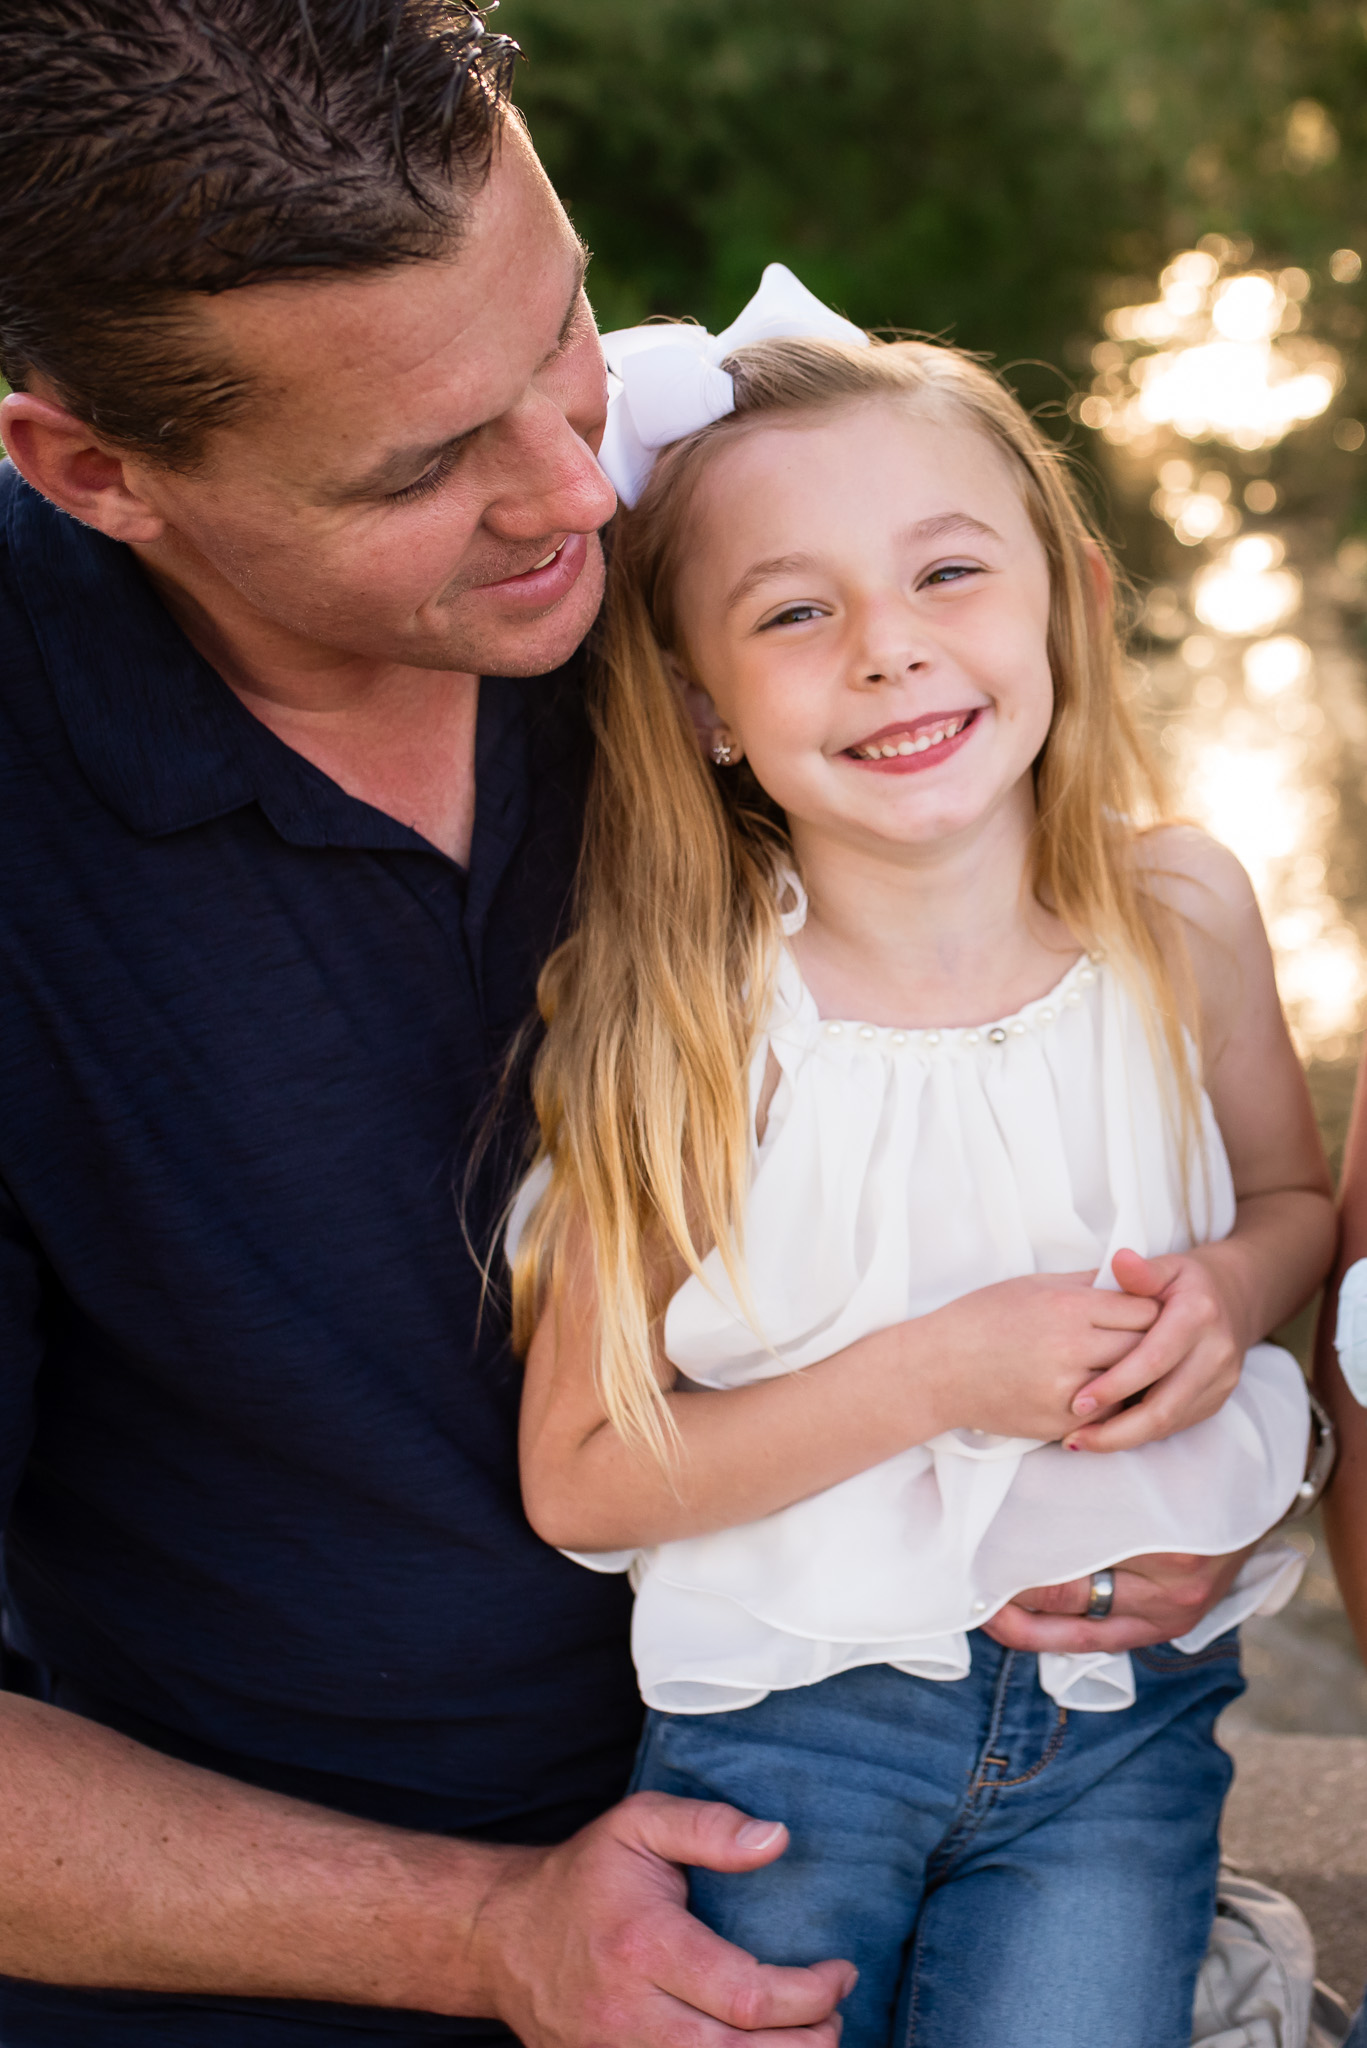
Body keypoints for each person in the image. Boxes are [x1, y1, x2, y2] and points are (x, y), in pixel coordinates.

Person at [0, 3, 1289, 2042]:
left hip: (1005, 1758)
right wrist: (480, 1930)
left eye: (566, 337)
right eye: (431, 465)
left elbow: (1109, 1023)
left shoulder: (724, 526)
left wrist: (1157, 1476)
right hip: (343, 1962)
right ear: (95, 471)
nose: (583, 494)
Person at [511, 279, 1336, 2048]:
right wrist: (940, 1371)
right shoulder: (698, 1017)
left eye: (949, 574)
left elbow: (1292, 1217)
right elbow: (582, 1474)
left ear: (1070, 600)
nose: (888, 647)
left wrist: (1232, 1294)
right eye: (796, 611)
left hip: (1124, 1731)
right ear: (704, 702)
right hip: (797, 1735)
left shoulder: (1181, 917)